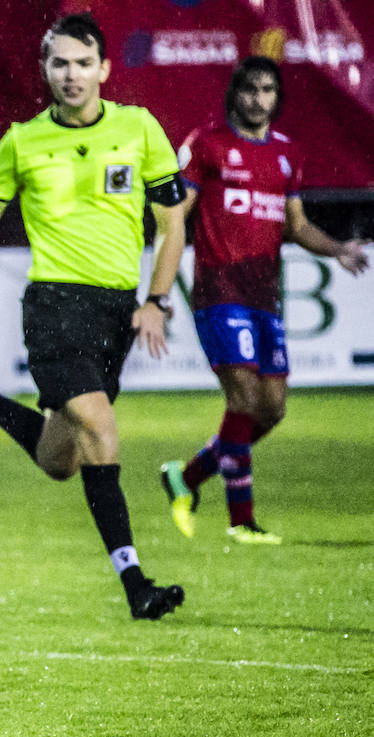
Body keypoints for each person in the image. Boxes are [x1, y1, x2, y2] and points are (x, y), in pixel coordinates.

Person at [0, 13, 187, 621]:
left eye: (82, 63)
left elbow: (173, 223)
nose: (71, 74)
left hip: (116, 308)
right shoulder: (22, 140)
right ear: (45, 70)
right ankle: (136, 584)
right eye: (60, 63)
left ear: (104, 70)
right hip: (54, 307)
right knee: (102, 427)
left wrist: (156, 300)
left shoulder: (140, 129)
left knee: (60, 459)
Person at [160, 57, 369, 545]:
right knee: (244, 398)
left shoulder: (287, 154)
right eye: (250, 89)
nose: (258, 98)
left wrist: (339, 249)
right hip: (218, 292)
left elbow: (295, 226)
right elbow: (175, 215)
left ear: (277, 97)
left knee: (271, 409)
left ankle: (185, 479)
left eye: (268, 90)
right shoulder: (206, 144)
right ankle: (242, 521)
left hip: (264, 297)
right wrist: (158, 284)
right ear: (235, 93)